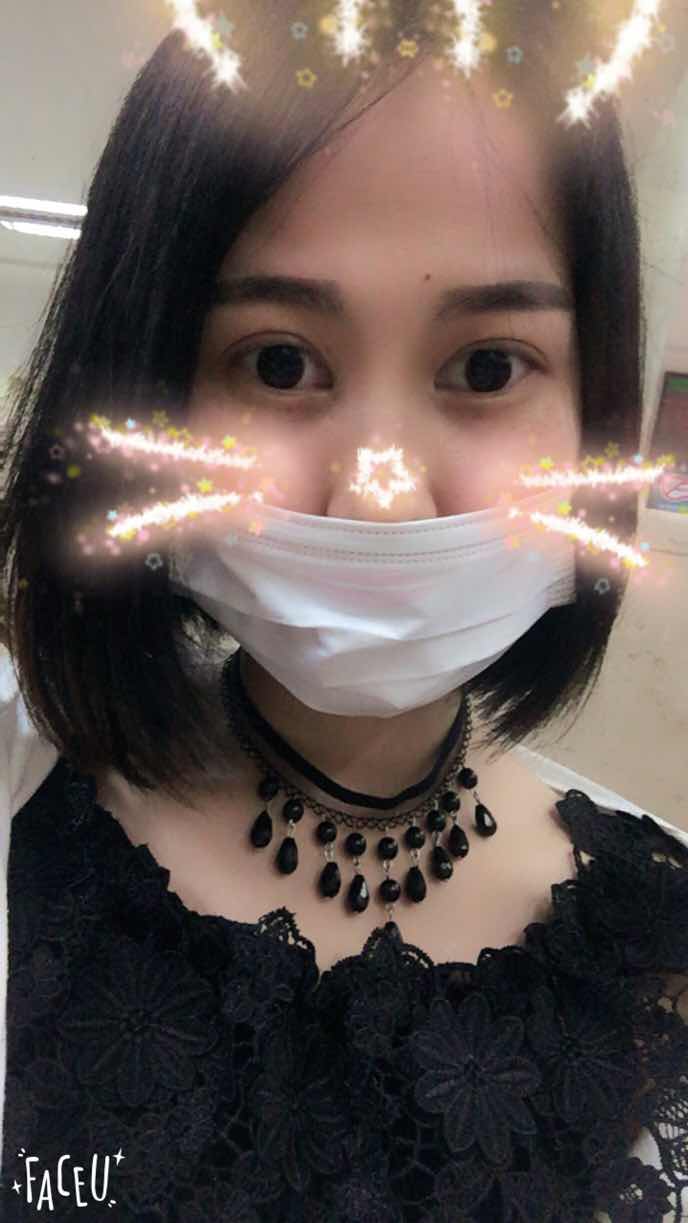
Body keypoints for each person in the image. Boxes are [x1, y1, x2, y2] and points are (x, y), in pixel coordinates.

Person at [0, 1, 687, 1219]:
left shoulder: (657, 942)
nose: (381, 497)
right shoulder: (24, 843)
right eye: (278, 362)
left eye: (487, 367)